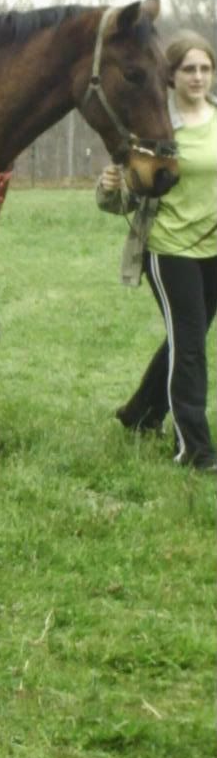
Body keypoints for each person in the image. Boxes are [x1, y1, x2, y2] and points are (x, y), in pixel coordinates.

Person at [96, 29, 217, 472]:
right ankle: (195, 450)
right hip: (170, 249)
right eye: (189, 69)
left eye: (206, 68)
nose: (198, 77)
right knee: (190, 347)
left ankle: (141, 415)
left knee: (189, 338)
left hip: (213, 250)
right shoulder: (157, 126)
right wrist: (111, 186)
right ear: (171, 75)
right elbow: (125, 199)